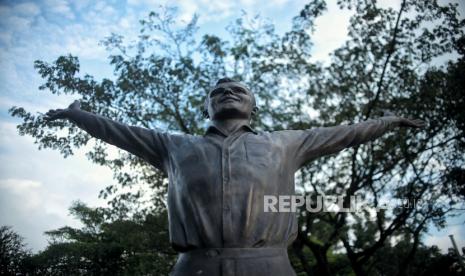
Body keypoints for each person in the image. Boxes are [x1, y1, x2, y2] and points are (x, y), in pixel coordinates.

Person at [45, 78, 424, 276]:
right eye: (218, 92)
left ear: (253, 107)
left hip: (270, 266)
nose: (227, 93)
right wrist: (80, 116)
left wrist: (388, 122)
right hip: (195, 268)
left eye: (237, 90)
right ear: (206, 107)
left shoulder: (285, 144)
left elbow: (346, 132)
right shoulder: (173, 146)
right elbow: (121, 132)